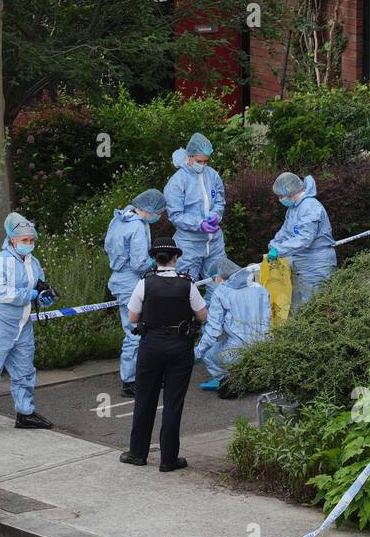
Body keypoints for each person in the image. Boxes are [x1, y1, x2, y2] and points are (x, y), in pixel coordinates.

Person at [120, 237, 207, 472]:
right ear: (175, 258)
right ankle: (169, 459)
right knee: (172, 403)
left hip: (151, 345)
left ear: (154, 259)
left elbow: (133, 318)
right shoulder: (187, 284)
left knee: (145, 400)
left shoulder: (144, 283)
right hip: (180, 345)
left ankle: (137, 453)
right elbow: (202, 315)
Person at [0, 212, 54, 433]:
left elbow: (39, 286)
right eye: (24, 240)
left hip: (23, 325)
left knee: (25, 370)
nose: (29, 244)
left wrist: (44, 297)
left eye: (32, 240)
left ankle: (25, 413)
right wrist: (31, 294)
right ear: (12, 239)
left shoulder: (34, 262)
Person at [104, 188, 166, 398]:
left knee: (138, 330)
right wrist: (157, 263)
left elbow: (109, 248)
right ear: (150, 209)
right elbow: (140, 263)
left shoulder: (120, 219)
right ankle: (131, 380)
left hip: (122, 279)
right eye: (159, 211)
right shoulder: (138, 227)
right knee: (136, 332)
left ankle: (140, 376)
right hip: (131, 282)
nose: (159, 216)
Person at [195, 262, 271, 392]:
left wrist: (197, 352)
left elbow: (213, 330)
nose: (214, 282)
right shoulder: (259, 288)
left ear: (219, 277)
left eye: (214, 279)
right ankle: (256, 377)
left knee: (208, 353)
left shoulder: (221, 292)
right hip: (264, 347)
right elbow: (268, 319)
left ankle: (224, 380)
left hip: (236, 351)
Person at [267, 172, 336, 309]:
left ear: (289, 190)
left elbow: (304, 239)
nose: (280, 199)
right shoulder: (293, 208)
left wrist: (279, 250)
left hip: (317, 266)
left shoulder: (310, 207)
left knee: (315, 310)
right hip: (302, 265)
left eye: (280, 195)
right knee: (301, 309)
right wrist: (274, 244)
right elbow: (286, 231)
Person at [164, 132, 226, 282]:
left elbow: (220, 201)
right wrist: (199, 224)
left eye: (206, 161)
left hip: (214, 243)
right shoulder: (177, 181)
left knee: (219, 286)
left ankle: (213, 307)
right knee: (185, 287)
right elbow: (176, 215)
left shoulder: (212, 175)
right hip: (189, 245)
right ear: (189, 156)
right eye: (200, 161)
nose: (203, 165)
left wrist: (215, 216)